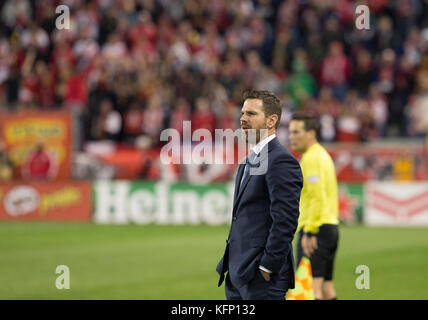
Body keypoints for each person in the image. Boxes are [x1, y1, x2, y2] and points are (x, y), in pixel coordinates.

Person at [216, 90, 303, 300]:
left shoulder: (281, 160)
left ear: (272, 120)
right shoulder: (248, 160)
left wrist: (267, 266)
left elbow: (286, 220)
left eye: (251, 114)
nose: (243, 119)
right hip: (238, 274)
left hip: (261, 278)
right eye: (243, 113)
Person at [288, 113, 339, 300]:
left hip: (316, 228)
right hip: (330, 227)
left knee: (310, 291)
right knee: (326, 289)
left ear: (311, 134)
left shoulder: (311, 158)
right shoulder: (322, 155)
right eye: (290, 132)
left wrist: (309, 232)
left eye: (296, 132)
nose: (291, 136)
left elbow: (317, 196)